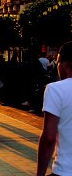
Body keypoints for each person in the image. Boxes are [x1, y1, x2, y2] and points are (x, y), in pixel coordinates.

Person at [37, 41, 72, 176]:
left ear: (66, 64)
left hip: (66, 170)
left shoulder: (55, 89)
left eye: (58, 62)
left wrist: (40, 174)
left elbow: (49, 138)